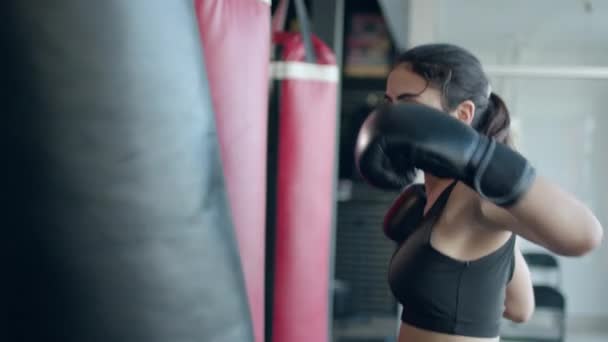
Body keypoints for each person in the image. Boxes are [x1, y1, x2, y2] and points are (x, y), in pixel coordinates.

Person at [354, 43, 604, 342]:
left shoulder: (475, 197)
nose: (395, 119)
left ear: (463, 115)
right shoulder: (429, 197)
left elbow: (586, 234)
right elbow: (520, 307)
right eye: (390, 104)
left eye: (409, 105)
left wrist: (476, 155)